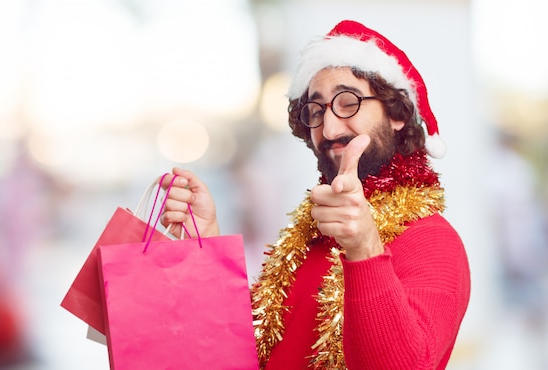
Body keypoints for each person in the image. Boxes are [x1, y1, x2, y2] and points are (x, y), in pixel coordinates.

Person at [159, 20, 471, 370]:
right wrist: (205, 244)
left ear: (396, 113)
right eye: (317, 110)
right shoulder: (308, 235)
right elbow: (249, 349)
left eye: (348, 102)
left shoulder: (433, 241)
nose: (330, 129)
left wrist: (364, 249)